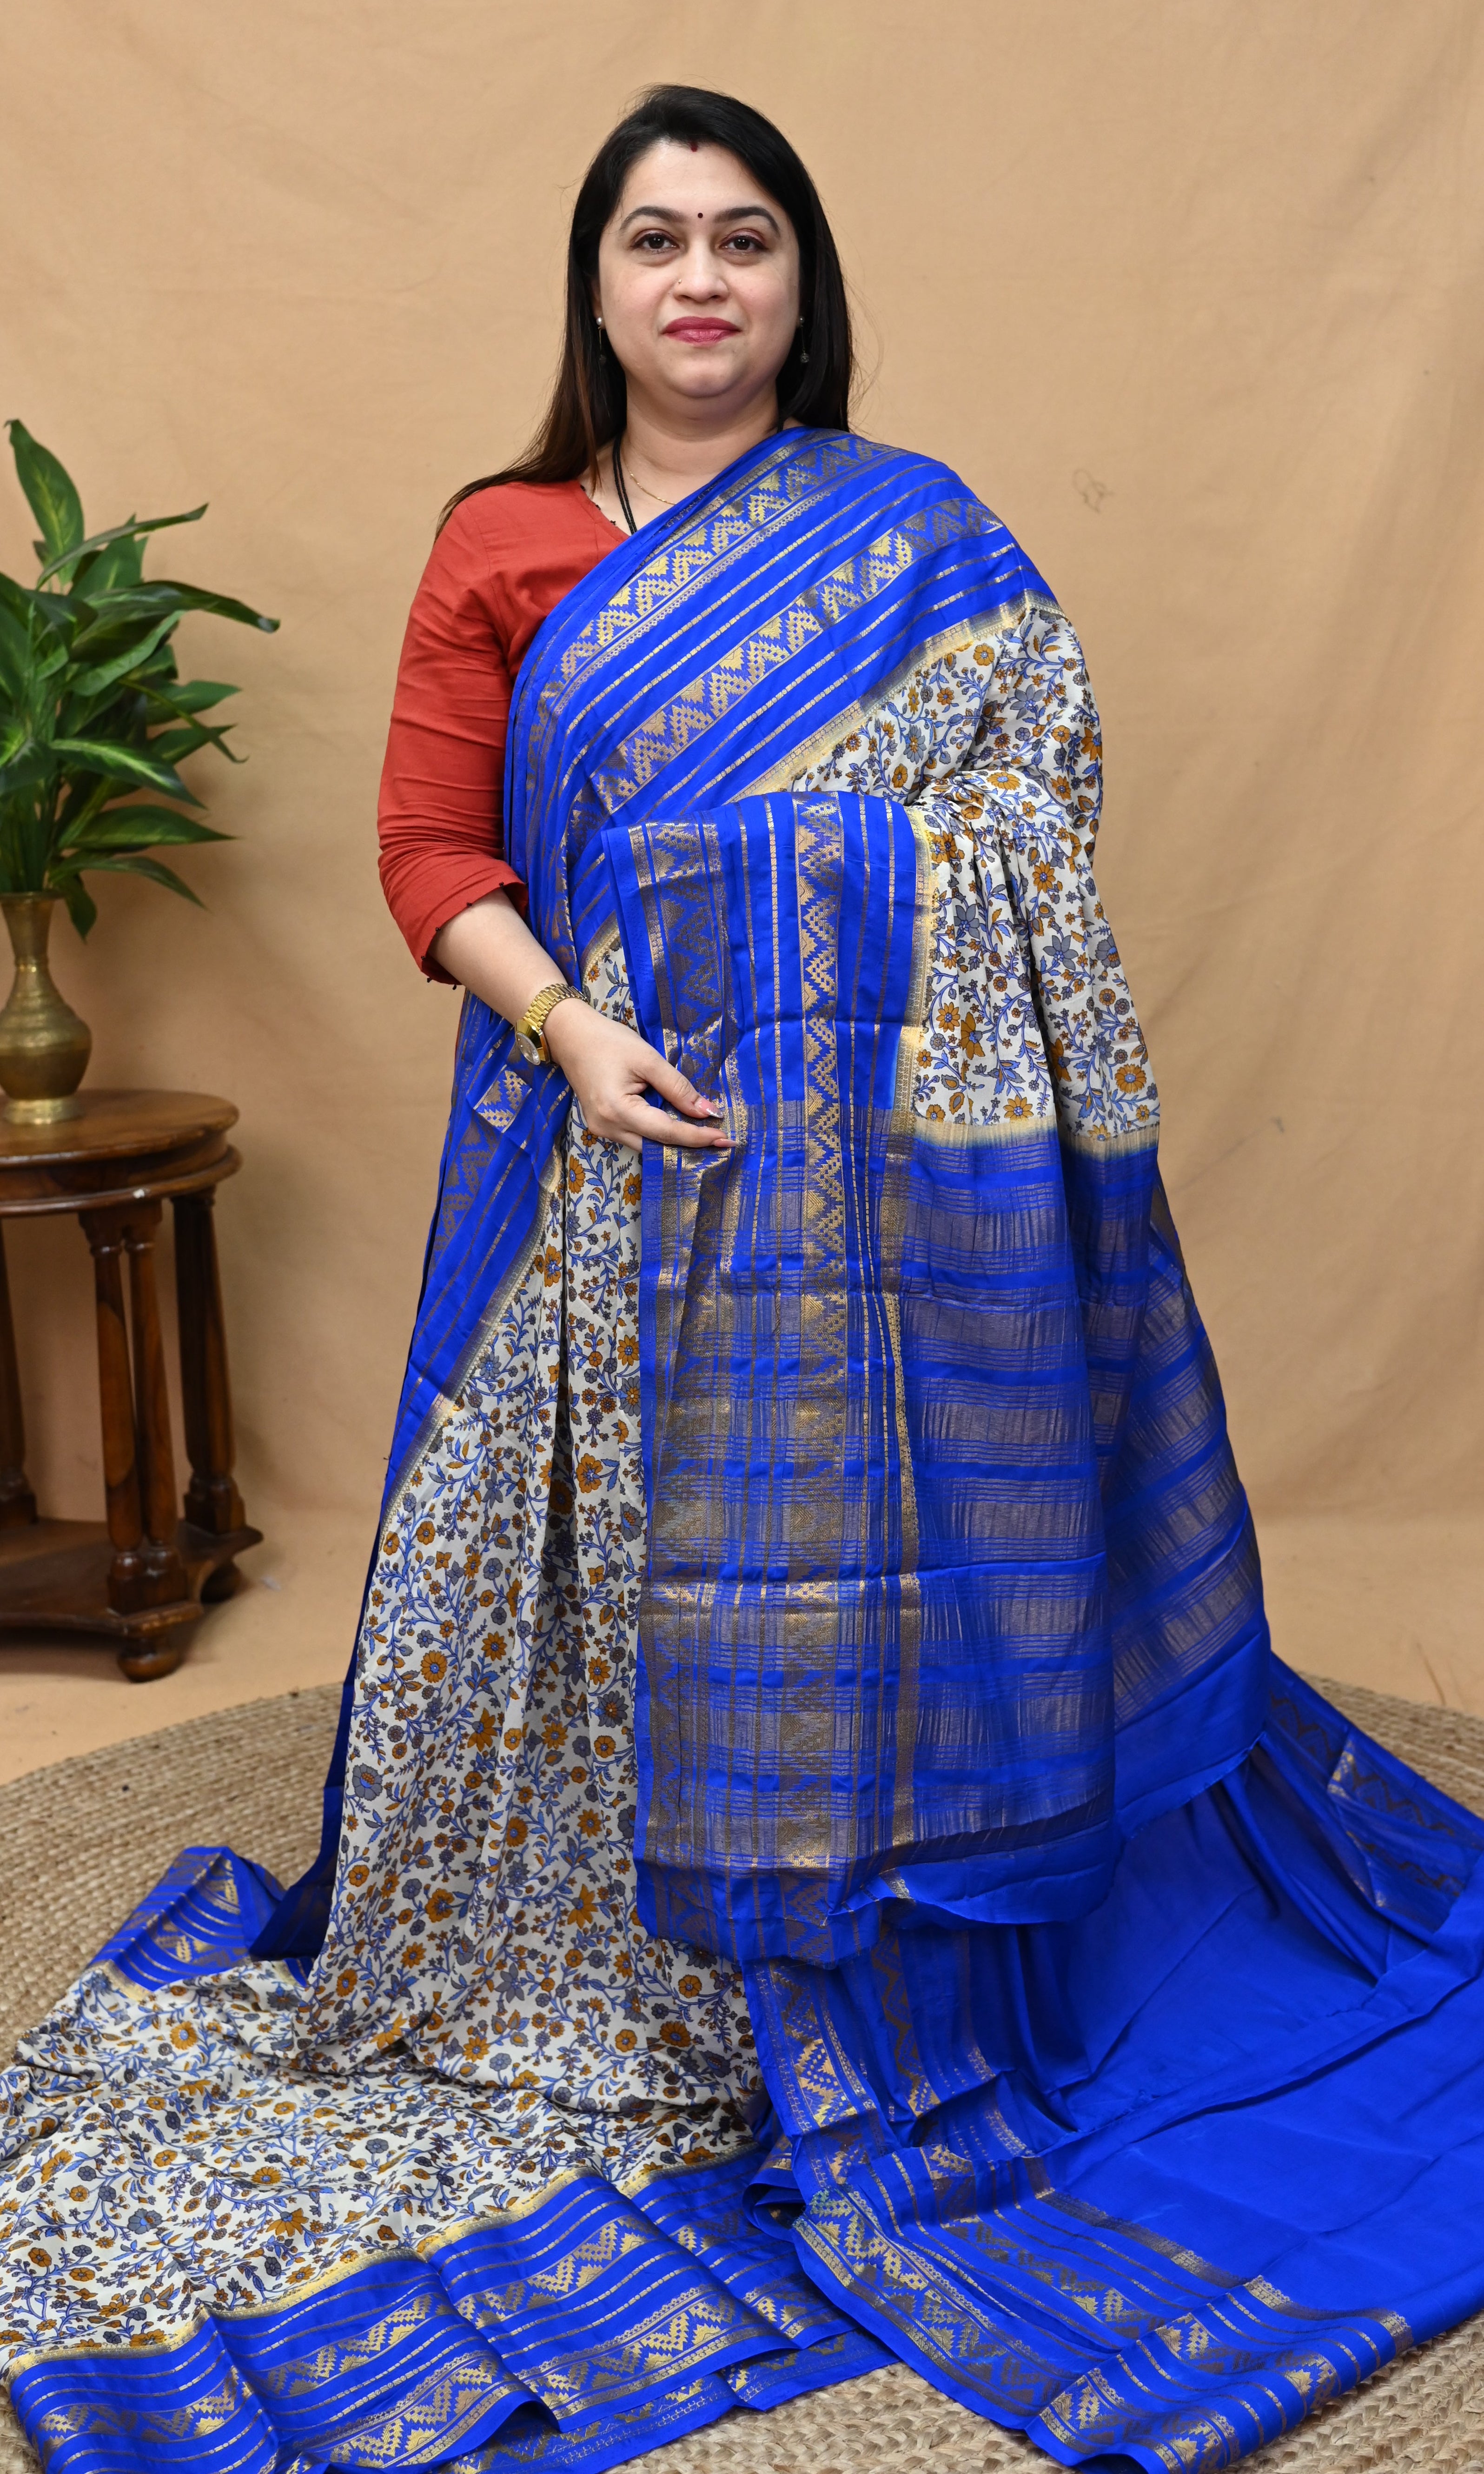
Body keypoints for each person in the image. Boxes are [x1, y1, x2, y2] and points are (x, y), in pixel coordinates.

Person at [6, 82, 1484, 2474]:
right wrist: (575, 1027)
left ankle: (885, 1944)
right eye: (657, 240)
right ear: (594, 290)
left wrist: (838, 906)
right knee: (582, 1586)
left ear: (805, 282)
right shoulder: (501, 543)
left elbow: (1039, 814)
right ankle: (630, 1988)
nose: (701, 280)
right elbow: (429, 849)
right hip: (604, 1165)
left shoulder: (924, 537)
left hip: (871, 1205)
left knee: (860, 1580)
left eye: (746, 239)